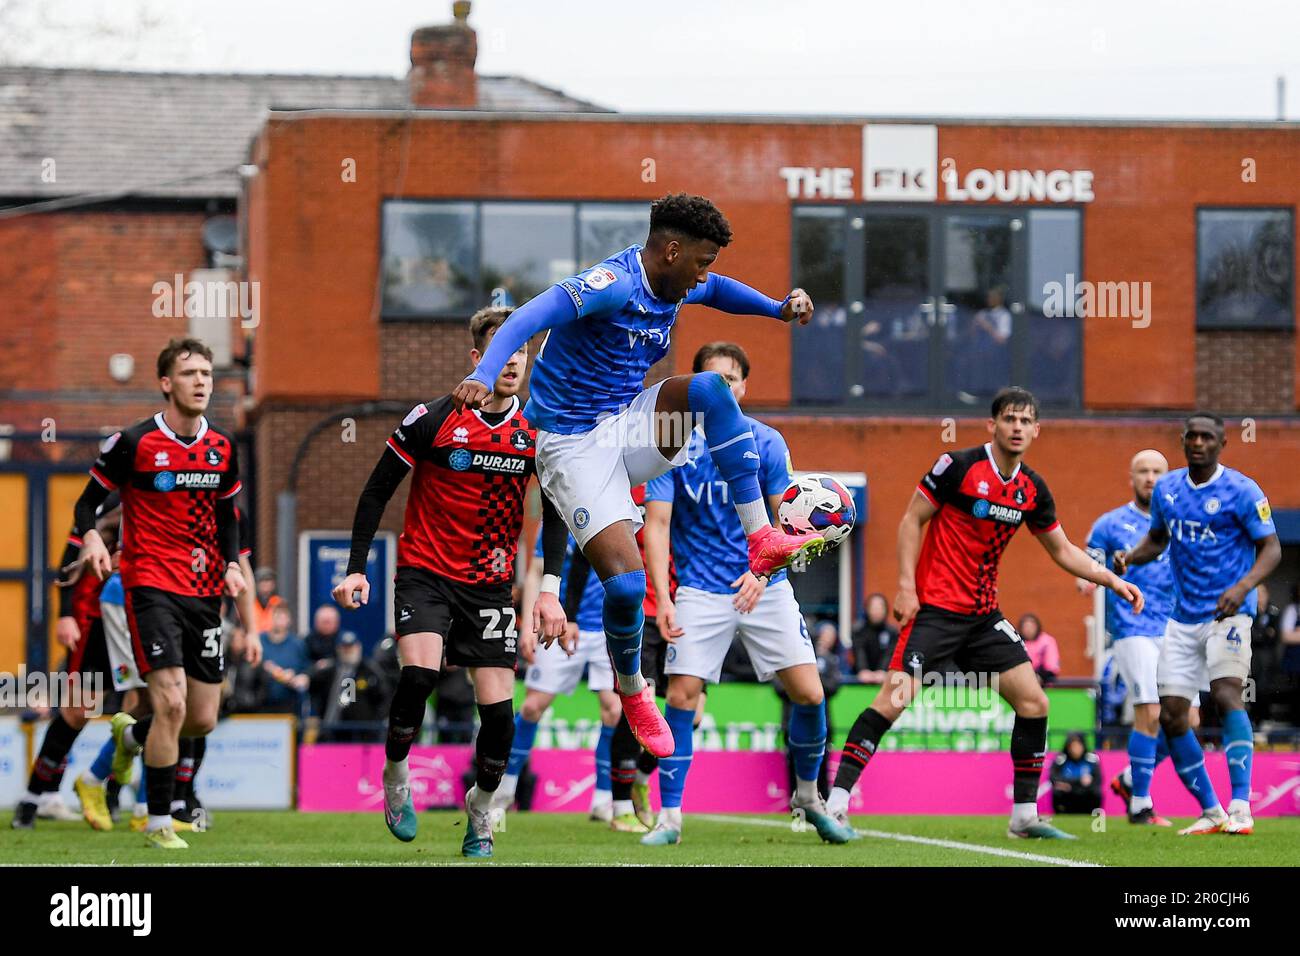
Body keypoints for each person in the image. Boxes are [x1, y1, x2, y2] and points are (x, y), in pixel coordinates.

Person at [451, 193, 827, 762]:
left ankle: (761, 536)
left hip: (628, 427)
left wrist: (776, 308)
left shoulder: (675, 280)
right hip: (572, 445)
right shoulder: (611, 284)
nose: (706, 274)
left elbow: (721, 292)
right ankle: (632, 688)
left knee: (709, 390)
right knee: (625, 588)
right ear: (671, 251)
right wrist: (484, 372)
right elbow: (528, 316)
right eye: (702, 261)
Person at [826, 386, 1144, 840]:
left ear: (1036, 430)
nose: (1017, 427)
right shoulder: (956, 466)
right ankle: (836, 805)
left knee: (1034, 702)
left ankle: (1023, 816)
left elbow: (1062, 550)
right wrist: (904, 588)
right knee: (893, 701)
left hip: (982, 617)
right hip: (933, 609)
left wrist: (1112, 580)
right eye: (1009, 419)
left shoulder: (1032, 489)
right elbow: (910, 520)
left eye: (1025, 421)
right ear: (992, 425)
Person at [332, 306, 569, 859]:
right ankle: (396, 775)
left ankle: (480, 809)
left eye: (519, 352)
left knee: (500, 718)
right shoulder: (433, 417)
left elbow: (556, 513)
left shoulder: (536, 430)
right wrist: (355, 567)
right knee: (418, 676)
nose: (510, 362)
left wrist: (550, 588)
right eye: (498, 353)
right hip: (426, 574)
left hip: (489, 588)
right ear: (476, 360)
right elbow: (375, 491)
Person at [637, 342, 853, 846]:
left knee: (810, 693)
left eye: (731, 379)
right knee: (682, 696)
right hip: (699, 591)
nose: (724, 388)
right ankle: (670, 818)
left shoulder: (767, 442)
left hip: (767, 586)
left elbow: (788, 523)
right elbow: (658, 523)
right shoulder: (672, 442)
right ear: (696, 390)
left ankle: (807, 798)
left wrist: (764, 571)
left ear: (744, 387)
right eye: (713, 380)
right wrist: (665, 600)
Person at [68, 338, 247, 849]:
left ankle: (126, 739)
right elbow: (87, 506)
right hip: (150, 587)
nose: (200, 382)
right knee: (169, 704)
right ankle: (158, 823)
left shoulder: (224, 448)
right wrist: (95, 540)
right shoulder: (133, 442)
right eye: (189, 373)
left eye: (207, 374)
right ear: (166, 383)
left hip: (205, 591)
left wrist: (232, 565)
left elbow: (227, 518)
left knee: (201, 718)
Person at [1116, 412, 1280, 836]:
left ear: (1222, 443)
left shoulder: (1243, 490)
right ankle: (1211, 810)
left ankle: (1241, 805)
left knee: (1227, 694)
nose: (1199, 442)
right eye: (1192, 436)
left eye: (1208, 437)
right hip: (1181, 618)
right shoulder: (1168, 488)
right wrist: (1130, 557)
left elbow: (1272, 549)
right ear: (1183, 440)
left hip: (1228, 614)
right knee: (1172, 716)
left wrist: (1242, 587)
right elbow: (1158, 538)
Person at [1081, 449, 1180, 826]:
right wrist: (1084, 578)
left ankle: (1128, 779)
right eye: (1143, 471)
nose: (1150, 477)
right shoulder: (1111, 523)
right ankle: (1141, 803)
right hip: (1131, 626)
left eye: (1157, 471)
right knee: (1150, 710)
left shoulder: (1177, 521)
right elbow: (1089, 557)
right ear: (1131, 477)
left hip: (1176, 626)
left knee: (1186, 718)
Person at [496, 530, 621, 823]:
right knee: (531, 707)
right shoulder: (554, 523)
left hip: (605, 627)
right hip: (559, 625)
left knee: (614, 710)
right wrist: (528, 625)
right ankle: (506, 787)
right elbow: (536, 573)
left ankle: (603, 799)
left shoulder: (610, 516)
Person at [12, 501, 121, 830]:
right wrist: (67, 615)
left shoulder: (166, 506)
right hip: (96, 624)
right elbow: (66, 567)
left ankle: (118, 796)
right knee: (75, 714)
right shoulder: (100, 513)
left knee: (144, 711)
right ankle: (33, 797)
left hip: (145, 622)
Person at [310, 632, 389, 742]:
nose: (348, 651)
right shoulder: (329, 671)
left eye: (351, 647)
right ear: (338, 649)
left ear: (358, 647)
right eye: (344, 647)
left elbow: (383, 698)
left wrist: (374, 723)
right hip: (332, 730)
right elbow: (313, 687)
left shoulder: (370, 671)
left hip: (362, 733)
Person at [259, 605, 310, 716]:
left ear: (289, 620)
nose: (280, 622)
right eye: (277, 617)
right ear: (271, 618)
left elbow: (305, 670)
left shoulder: (298, 644)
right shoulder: (259, 641)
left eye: (283, 618)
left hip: (289, 703)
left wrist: (297, 677)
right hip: (260, 703)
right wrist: (267, 669)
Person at [1049, 732, 1102, 815]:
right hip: (1068, 792)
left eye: (1078, 746)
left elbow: (1098, 779)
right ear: (1068, 747)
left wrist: (1087, 783)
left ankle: (1093, 814)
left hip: (1085, 792)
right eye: (1072, 746)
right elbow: (1053, 777)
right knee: (1057, 792)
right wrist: (1076, 782)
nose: (1075, 749)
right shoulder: (1061, 759)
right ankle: (1060, 815)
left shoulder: (1091, 758)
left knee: (1096, 792)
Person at [850, 593, 898, 683]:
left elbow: (889, 653)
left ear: (885, 610)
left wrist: (882, 671)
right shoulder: (858, 630)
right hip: (860, 678)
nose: (876, 612)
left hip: (885, 678)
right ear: (867, 609)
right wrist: (863, 670)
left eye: (879, 608)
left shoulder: (892, 632)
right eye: (873, 608)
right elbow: (859, 651)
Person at [1019, 614, 1061, 685]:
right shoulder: (1017, 642)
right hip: (1021, 680)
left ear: (1037, 627)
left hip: (1044, 681)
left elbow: (1052, 666)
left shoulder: (1047, 641)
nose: (1028, 629)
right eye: (1026, 626)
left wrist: (1039, 676)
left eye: (1031, 626)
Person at [251, 568, 283, 637]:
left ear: (273, 585)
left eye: (268, 581)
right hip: (254, 640)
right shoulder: (249, 603)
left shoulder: (279, 603)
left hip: (273, 641)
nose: (265, 586)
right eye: (262, 582)